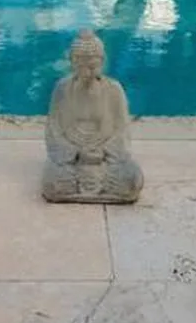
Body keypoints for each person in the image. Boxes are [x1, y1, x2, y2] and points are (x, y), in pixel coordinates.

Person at [41, 29, 143, 203]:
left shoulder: (113, 90)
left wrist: (102, 152)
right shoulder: (62, 89)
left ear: (101, 62)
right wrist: (77, 152)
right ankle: (90, 185)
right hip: (72, 157)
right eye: (81, 64)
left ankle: (95, 183)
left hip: (106, 156)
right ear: (72, 62)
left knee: (131, 180)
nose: (87, 70)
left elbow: (122, 130)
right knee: (53, 182)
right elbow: (54, 130)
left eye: (92, 64)